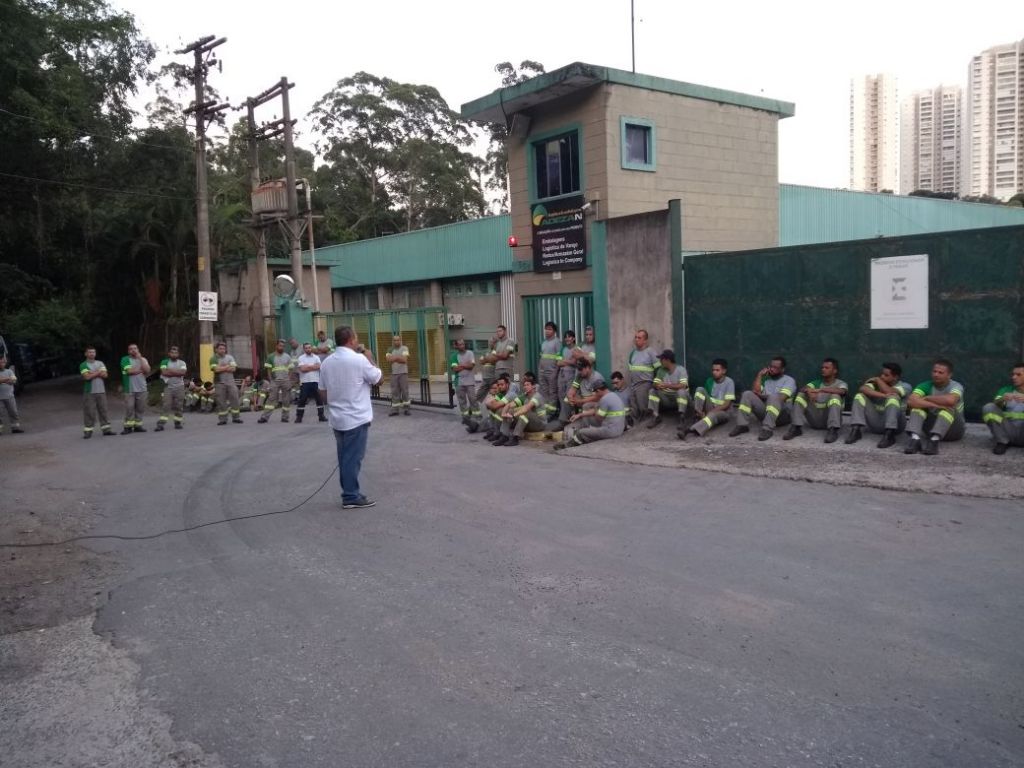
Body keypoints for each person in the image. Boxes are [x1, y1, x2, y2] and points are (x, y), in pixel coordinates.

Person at [319, 326, 382, 509]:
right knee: (352, 459)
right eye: (356, 338)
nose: (357, 341)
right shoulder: (359, 359)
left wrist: (335, 403)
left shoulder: (327, 362)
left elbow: (322, 391)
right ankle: (350, 496)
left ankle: (350, 492)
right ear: (351, 340)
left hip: (337, 419)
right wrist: (369, 356)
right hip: (356, 418)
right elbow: (378, 379)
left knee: (345, 458)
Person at [904, 358, 965, 455]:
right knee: (917, 407)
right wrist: (934, 404)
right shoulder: (925, 385)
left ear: (949, 375)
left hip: (954, 431)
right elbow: (911, 401)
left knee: (948, 408)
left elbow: (951, 400)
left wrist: (927, 398)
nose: (936, 375)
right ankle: (915, 439)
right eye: (934, 371)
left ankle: (934, 441)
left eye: (940, 373)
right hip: (929, 430)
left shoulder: (955, 386)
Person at [846, 362, 912, 448]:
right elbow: (863, 388)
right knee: (859, 396)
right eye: (882, 374)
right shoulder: (877, 383)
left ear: (895, 377)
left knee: (893, 398)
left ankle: (889, 435)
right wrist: (883, 395)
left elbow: (890, 391)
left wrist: (877, 380)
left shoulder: (905, 386)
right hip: (876, 423)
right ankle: (856, 430)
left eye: (886, 375)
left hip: (896, 426)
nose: (882, 377)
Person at [732, 356, 796, 441]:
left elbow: (782, 397)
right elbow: (755, 392)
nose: (772, 369)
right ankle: (742, 425)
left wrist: (764, 396)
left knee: (774, 396)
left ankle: (767, 429)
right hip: (766, 414)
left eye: (775, 367)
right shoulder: (766, 380)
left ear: (782, 369)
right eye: (771, 366)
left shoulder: (789, 380)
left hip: (783, 416)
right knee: (747, 394)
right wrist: (759, 376)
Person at [785, 357, 847, 443]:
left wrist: (820, 390)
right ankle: (796, 427)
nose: (823, 369)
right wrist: (809, 392)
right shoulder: (816, 382)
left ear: (834, 371)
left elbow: (842, 391)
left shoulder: (841, 383)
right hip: (814, 420)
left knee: (835, 396)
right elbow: (803, 388)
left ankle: (833, 431)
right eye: (822, 367)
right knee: (801, 395)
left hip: (829, 420)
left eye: (827, 368)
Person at [555, 379, 626, 450]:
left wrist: (596, 408)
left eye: (595, 392)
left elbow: (599, 417)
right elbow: (596, 411)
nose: (594, 394)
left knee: (581, 432)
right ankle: (581, 440)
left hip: (610, 431)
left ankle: (566, 446)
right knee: (589, 431)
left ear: (598, 391)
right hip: (618, 429)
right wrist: (580, 415)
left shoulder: (604, 400)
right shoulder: (613, 395)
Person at [683, 358, 736, 439]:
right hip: (711, 407)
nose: (714, 372)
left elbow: (727, 404)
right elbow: (705, 399)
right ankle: (698, 415)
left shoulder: (729, 382)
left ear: (724, 371)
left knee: (712, 415)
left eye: (717, 370)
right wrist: (702, 411)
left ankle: (690, 430)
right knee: (700, 389)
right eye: (713, 370)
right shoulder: (709, 381)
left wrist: (711, 412)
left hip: (724, 412)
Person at [494, 371, 546, 447]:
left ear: (533, 386)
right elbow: (510, 404)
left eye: (528, 385)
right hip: (529, 423)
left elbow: (526, 409)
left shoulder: (537, 396)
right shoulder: (525, 395)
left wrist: (513, 415)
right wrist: (504, 413)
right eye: (524, 385)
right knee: (510, 411)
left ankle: (515, 437)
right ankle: (504, 435)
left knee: (525, 412)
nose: (525, 387)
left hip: (539, 424)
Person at [982, 362, 1024, 455]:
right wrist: (1002, 399)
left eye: (1018, 374)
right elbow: (995, 405)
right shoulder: (1005, 390)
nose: (1014, 377)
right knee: (989, 407)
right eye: (1013, 374)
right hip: (1009, 430)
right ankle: (1002, 441)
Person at [647, 349, 689, 429]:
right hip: (666, 399)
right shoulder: (661, 370)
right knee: (652, 391)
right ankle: (656, 416)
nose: (660, 361)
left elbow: (683, 386)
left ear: (668, 360)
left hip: (678, 398)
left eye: (662, 359)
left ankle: (682, 418)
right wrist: (657, 386)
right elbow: (655, 383)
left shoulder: (681, 369)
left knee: (681, 392)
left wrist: (667, 385)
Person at [79, 346, 112, 438]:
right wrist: (98, 372)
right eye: (90, 352)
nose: (92, 354)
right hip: (89, 392)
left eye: (93, 352)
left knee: (103, 411)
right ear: (86, 354)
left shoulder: (100, 363)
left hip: (101, 391)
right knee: (89, 412)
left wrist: (92, 373)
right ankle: (88, 431)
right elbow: (87, 377)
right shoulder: (83, 365)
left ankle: (106, 430)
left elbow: (105, 375)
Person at [626, 329, 659, 423]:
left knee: (643, 407)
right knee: (634, 408)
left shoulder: (651, 352)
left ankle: (646, 424)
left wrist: (656, 383)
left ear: (645, 340)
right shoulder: (633, 353)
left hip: (645, 384)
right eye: (635, 337)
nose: (636, 339)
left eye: (639, 338)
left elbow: (658, 369)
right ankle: (635, 426)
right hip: (634, 384)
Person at [259, 340, 293, 424]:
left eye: (283, 346)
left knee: (286, 400)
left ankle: (285, 417)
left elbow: (291, 368)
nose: (282, 347)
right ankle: (264, 417)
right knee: (271, 399)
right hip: (275, 381)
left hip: (285, 381)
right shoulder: (271, 357)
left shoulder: (287, 356)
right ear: (276, 346)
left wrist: (288, 379)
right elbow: (268, 370)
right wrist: (271, 380)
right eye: (280, 346)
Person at [119, 343, 151, 434]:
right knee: (129, 408)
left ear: (138, 350)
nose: (133, 350)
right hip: (129, 388)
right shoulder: (125, 359)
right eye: (131, 349)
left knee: (140, 408)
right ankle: (128, 427)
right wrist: (141, 370)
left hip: (142, 388)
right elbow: (130, 371)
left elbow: (147, 370)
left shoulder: (143, 359)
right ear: (128, 351)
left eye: (135, 348)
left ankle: (138, 426)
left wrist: (140, 358)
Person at [209, 342, 243, 425]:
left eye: (224, 349)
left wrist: (221, 368)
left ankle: (236, 418)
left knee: (235, 399)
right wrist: (227, 366)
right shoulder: (213, 359)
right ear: (216, 350)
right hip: (219, 383)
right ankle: (223, 419)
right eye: (220, 349)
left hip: (231, 382)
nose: (222, 350)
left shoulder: (230, 357)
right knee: (221, 401)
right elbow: (216, 370)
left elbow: (233, 369)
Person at [156, 345, 188, 431]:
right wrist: (177, 372)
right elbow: (164, 373)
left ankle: (178, 423)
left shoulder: (182, 363)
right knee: (166, 405)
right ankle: (161, 424)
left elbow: (183, 373)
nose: (174, 354)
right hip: (168, 387)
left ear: (178, 354)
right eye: (172, 352)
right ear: (169, 353)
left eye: (176, 353)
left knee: (179, 406)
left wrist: (170, 371)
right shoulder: (164, 362)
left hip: (180, 387)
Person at [295, 342, 327, 423]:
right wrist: (313, 366)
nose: (308, 349)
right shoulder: (301, 358)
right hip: (304, 382)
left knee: (319, 399)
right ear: (304, 349)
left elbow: (319, 366)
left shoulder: (316, 357)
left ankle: (321, 416)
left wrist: (307, 366)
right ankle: (299, 417)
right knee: (302, 400)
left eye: (309, 347)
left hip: (315, 381)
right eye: (306, 348)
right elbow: (302, 369)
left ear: (311, 348)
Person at [553, 329, 580, 426]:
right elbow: (558, 363)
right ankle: (564, 415)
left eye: (569, 337)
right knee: (561, 394)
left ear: (574, 338)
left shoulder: (577, 349)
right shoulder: (562, 349)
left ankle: (571, 414)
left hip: (572, 374)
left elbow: (575, 363)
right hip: (562, 374)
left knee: (570, 395)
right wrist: (569, 361)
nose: (567, 339)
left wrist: (565, 361)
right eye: (566, 337)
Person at [450, 338, 478, 426]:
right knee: (462, 402)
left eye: (463, 344)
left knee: (473, 400)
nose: (462, 346)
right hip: (459, 381)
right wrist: (466, 365)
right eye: (460, 344)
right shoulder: (454, 356)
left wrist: (461, 365)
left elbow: (471, 366)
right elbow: (455, 369)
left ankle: (477, 417)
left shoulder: (470, 353)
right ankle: (466, 418)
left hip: (470, 381)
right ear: (456, 346)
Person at [538, 321, 562, 420]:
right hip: (542, 372)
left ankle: (552, 413)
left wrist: (555, 372)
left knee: (552, 392)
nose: (547, 331)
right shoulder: (543, 343)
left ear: (554, 331)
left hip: (552, 372)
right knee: (544, 392)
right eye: (546, 329)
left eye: (549, 329)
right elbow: (541, 357)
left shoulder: (557, 342)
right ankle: (546, 411)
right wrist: (540, 370)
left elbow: (559, 359)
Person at [385, 335, 411, 416]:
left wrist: (394, 358)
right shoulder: (389, 349)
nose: (396, 341)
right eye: (395, 340)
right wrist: (399, 357)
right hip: (393, 373)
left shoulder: (405, 348)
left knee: (405, 391)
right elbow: (388, 359)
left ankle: (406, 409)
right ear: (393, 341)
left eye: (398, 340)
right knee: (394, 392)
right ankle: (395, 410)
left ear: (400, 340)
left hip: (403, 373)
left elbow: (404, 360)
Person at [0, 356, 23, 435]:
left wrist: (3, 380)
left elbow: (13, 380)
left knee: (13, 412)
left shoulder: (9, 371)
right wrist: (7, 379)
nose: (1, 364)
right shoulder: (9, 373)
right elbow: (8, 380)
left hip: (10, 396)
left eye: (3, 362)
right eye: (0, 362)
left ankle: (15, 428)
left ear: (5, 363)